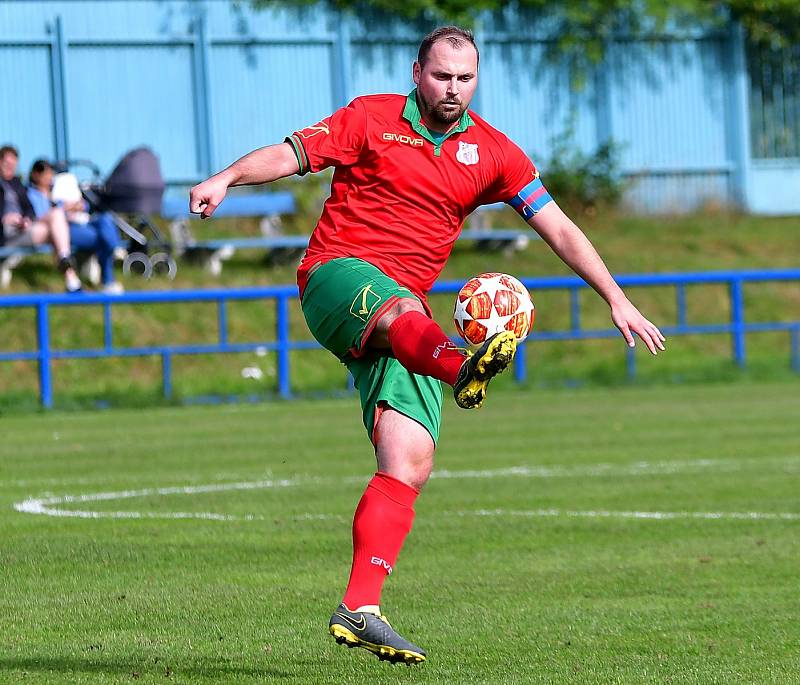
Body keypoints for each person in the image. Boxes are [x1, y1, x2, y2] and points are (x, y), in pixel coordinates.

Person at [190, 26, 666, 665]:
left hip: (408, 325)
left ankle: (359, 608)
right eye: (442, 76)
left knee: (409, 458)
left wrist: (615, 295)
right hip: (338, 276)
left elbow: (556, 223)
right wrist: (226, 179)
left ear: (478, 78)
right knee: (404, 307)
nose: (453, 89)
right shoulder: (373, 118)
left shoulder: (492, 152)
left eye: (465, 78)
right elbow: (290, 154)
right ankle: (460, 363)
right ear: (418, 71)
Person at [27, 159, 123, 294]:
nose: (50, 178)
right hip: (65, 229)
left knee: (105, 219)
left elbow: (84, 206)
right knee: (104, 238)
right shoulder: (32, 195)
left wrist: (78, 205)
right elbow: (41, 217)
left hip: (81, 222)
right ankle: (108, 278)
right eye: (46, 175)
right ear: (36, 175)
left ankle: (113, 247)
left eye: (51, 174)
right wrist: (65, 208)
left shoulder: (55, 191)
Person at [0, 145, 82, 292]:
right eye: (7, 164)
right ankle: (70, 273)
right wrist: (4, 218)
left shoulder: (16, 183)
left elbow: (29, 209)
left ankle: (68, 269)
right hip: (5, 233)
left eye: (14, 165)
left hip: (22, 230)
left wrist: (26, 219)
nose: (10, 168)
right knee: (56, 226)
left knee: (56, 215)